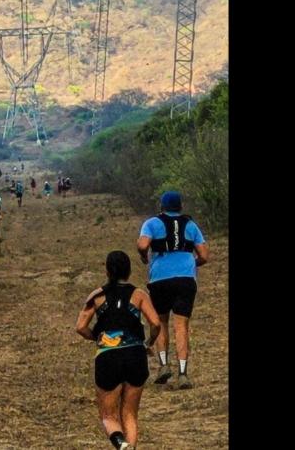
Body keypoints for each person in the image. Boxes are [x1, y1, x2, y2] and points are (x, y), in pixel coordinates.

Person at [75, 251, 161, 450]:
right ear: (129, 271)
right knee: (130, 414)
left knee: (108, 416)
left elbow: (80, 327)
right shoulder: (139, 294)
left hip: (108, 356)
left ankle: (121, 444)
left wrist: (98, 338)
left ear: (107, 271)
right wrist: (148, 342)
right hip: (135, 355)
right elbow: (156, 323)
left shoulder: (97, 296)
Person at [136, 191, 209, 389]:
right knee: (181, 325)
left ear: (161, 207)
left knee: (161, 321)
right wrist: (191, 263)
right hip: (185, 280)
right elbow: (204, 255)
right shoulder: (190, 225)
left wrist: (144, 256)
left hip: (160, 279)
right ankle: (183, 374)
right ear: (180, 207)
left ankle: (163, 365)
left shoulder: (152, 223)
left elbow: (142, 244)